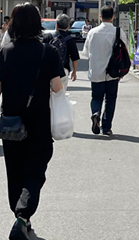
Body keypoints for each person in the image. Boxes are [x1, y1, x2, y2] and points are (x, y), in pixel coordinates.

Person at [0, 3, 63, 240]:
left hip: (11, 123)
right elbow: (56, 87)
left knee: (14, 171)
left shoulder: (4, 51)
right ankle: (23, 217)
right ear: (37, 24)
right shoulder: (48, 52)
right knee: (35, 171)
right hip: (38, 122)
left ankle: (21, 218)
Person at [82, 6, 128, 136]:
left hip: (96, 71)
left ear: (100, 17)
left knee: (96, 97)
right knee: (110, 99)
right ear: (113, 17)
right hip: (113, 72)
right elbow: (126, 52)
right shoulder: (118, 32)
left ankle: (95, 113)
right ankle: (106, 127)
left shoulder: (93, 32)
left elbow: (85, 52)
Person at [43, 13, 79, 91]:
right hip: (63, 70)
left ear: (56, 25)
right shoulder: (70, 40)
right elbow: (74, 58)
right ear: (68, 27)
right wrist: (74, 72)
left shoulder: (48, 37)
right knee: (60, 95)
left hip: (48, 70)